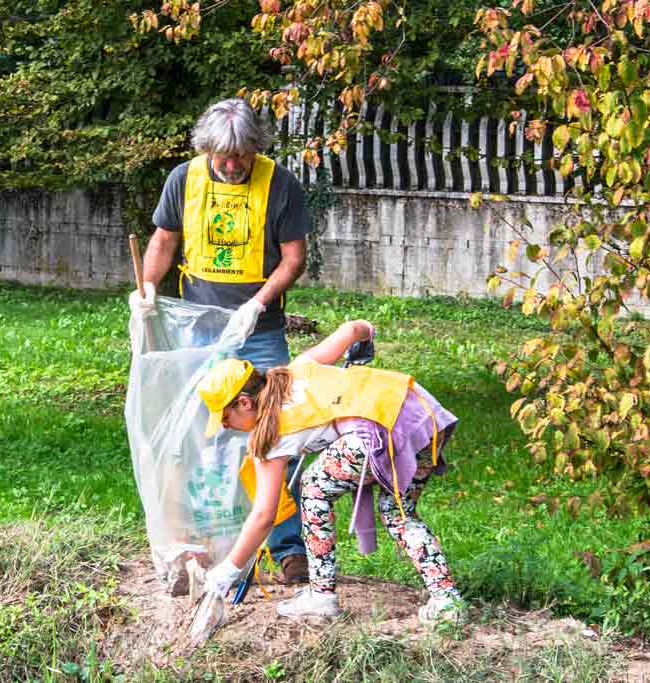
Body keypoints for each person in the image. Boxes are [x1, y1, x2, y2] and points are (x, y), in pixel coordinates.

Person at [135, 97, 313, 583]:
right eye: (223, 156)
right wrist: (149, 288)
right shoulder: (185, 179)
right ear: (206, 148)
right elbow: (164, 240)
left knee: (275, 434)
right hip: (200, 329)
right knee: (197, 437)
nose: (233, 165)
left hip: (261, 333)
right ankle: (204, 545)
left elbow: (293, 258)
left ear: (256, 146)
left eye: (242, 155)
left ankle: (289, 549)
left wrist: (258, 305)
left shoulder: (280, 183)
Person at [193, 320, 465, 623]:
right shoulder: (296, 369)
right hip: (422, 415)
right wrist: (366, 337)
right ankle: (447, 600)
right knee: (398, 513)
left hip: (381, 431)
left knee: (312, 490)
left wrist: (227, 570)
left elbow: (263, 516)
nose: (225, 426)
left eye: (225, 417)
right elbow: (351, 330)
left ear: (244, 402)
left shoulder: (270, 437)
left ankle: (321, 597)